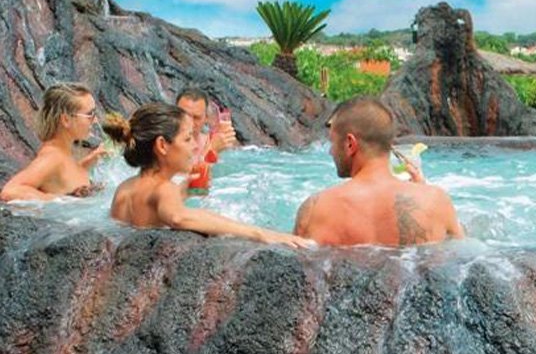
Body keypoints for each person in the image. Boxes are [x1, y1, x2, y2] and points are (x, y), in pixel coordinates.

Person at [105, 102, 310, 248]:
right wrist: (261, 234)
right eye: (187, 139)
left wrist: (183, 190)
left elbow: (150, 211)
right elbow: (178, 217)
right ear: (162, 145)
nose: (195, 146)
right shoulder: (163, 189)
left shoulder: (126, 187)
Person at [294, 96, 464, 247]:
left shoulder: (316, 209)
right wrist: (422, 187)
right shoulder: (436, 202)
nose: (331, 151)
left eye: (333, 142)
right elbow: (461, 251)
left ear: (350, 144)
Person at [1, 82, 108, 202]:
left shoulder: (62, 152)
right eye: (90, 114)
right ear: (66, 120)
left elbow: (66, 177)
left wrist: (92, 158)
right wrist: (59, 201)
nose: (95, 120)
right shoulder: (52, 157)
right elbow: (10, 191)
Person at [174, 87, 238, 194]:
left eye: (196, 117)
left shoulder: (212, 140)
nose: (189, 122)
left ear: (206, 118)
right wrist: (211, 152)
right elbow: (191, 187)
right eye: (184, 115)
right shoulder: (165, 145)